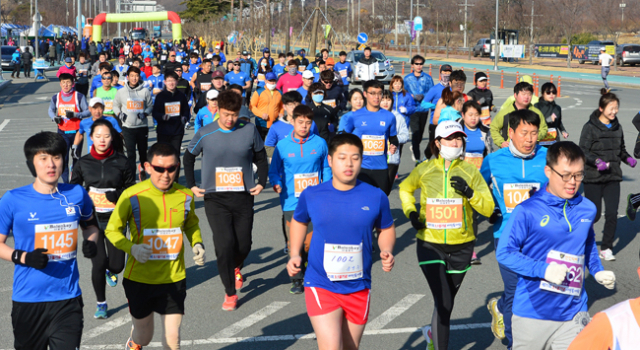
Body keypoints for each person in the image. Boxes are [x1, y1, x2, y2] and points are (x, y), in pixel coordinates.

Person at [497, 141, 616, 350]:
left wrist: (596, 270)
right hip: (532, 314)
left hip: (574, 313)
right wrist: (544, 270)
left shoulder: (587, 209)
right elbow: (505, 252)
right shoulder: (527, 211)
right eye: (566, 175)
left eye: (579, 175)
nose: (572, 182)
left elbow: (587, 242)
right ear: (548, 171)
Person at [286, 132, 396, 350]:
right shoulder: (313, 194)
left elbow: (386, 227)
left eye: (355, 158)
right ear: (330, 160)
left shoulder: (376, 196)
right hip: (321, 284)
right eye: (342, 157)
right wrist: (295, 253)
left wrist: (386, 249)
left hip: (359, 285)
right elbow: (299, 222)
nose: (349, 163)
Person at [399, 120, 494, 350]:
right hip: (429, 243)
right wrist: (411, 212)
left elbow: (488, 208)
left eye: (459, 138)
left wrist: (470, 193)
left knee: (446, 304)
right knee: (444, 302)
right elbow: (405, 189)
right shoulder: (425, 169)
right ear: (438, 143)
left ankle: (433, 333)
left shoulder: (470, 171)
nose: (456, 142)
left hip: (462, 246)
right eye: (450, 138)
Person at [0, 131, 99, 350]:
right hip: (28, 300)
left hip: (67, 299)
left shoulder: (77, 194)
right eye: (43, 158)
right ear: (31, 164)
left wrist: (91, 241)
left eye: (56, 157)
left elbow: (90, 225)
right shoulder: (12, 199)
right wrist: (23, 257)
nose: (51, 164)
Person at [105, 142, 205, 350]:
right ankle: (134, 342)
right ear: (147, 167)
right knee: (145, 336)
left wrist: (196, 242)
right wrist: (131, 248)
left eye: (171, 168)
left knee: (173, 340)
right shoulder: (131, 196)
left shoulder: (185, 196)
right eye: (159, 168)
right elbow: (111, 231)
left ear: (177, 166)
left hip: (174, 278)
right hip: (140, 279)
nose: (166, 174)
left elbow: (191, 223)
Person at [184, 90, 268, 311]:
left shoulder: (249, 129)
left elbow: (260, 155)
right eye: (226, 114)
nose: (230, 119)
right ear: (217, 110)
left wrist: (262, 181)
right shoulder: (205, 132)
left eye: (234, 114)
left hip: (243, 196)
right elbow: (189, 155)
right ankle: (230, 293)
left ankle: (235, 266)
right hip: (215, 198)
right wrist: (192, 184)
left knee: (244, 244)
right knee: (224, 245)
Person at [482, 109, 549, 349]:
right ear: (510, 133)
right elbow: (481, 190)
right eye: (524, 133)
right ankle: (514, 344)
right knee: (517, 290)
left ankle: (499, 307)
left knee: (537, 290)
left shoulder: (548, 157)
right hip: (508, 238)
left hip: (541, 239)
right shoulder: (493, 160)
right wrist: (491, 210)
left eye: (534, 133)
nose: (530, 139)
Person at [70, 118, 132, 319]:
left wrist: (119, 194)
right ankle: (101, 303)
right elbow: (74, 189)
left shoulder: (123, 162)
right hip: (92, 222)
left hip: (116, 220)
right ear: (91, 138)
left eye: (106, 136)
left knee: (116, 266)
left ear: (112, 137)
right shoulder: (83, 163)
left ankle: (110, 270)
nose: (102, 140)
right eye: (98, 136)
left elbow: (132, 189)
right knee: (98, 263)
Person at [269, 105, 332, 294]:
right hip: (291, 201)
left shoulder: (320, 143)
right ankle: (296, 278)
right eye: (300, 122)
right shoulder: (282, 146)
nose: (304, 126)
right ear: (292, 122)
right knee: (293, 243)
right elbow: (274, 171)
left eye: (308, 122)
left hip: (315, 200)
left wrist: (327, 188)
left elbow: (326, 169)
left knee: (310, 242)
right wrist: (276, 183)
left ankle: (309, 269)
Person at [579, 89, 635, 261]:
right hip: (593, 178)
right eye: (611, 108)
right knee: (594, 215)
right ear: (601, 108)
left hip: (613, 177)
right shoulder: (590, 127)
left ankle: (606, 247)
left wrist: (628, 159)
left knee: (612, 213)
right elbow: (582, 151)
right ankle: (581, 242)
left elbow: (621, 149)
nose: (614, 111)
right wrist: (596, 161)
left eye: (616, 107)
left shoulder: (618, 127)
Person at [343, 80, 398, 195]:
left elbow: (393, 138)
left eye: (379, 93)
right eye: (372, 93)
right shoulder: (354, 116)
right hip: (360, 167)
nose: (376, 97)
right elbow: (344, 138)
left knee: (381, 201)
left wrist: (394, 145)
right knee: (359, 202)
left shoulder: (389, 117)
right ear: (365, 94)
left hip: (381, 167)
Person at [459, 101, 493, 265]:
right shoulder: (457, 131)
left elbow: (489, 155)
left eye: (476, 114)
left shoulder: (485, 132)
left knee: (472, 216)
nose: (473, 118)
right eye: (470, 114)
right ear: (463, 115)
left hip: (478, 182)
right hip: (459, 181)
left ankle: (470, 250)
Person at [47, 73, 91, 183]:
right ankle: (67, 183)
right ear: (60, 84)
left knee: (76, 157)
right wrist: (54, 117)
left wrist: (76, 115)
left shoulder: (79, 96)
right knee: (63, 159)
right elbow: (50, 110)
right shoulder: (56, 97)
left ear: (72, 83)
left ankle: (75, 182)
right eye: (63, 82)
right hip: (62, 133)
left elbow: (88, 111)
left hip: (77, 133)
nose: (66, 85)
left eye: (68, 82)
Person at [113, 66, 153, 181]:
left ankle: (144, 174)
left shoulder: (145, 91)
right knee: (130, 154)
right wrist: (119, 114)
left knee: (143, 153)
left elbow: (150, 106)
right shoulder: (121, 92)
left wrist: (145, 113)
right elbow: (115, 105)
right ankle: (130, 179)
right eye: (132, 76)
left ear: (139, 77)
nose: (134, 78)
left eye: (136, 76)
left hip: (142, 127)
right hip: (128, 127)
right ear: (128, 77)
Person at [491, 82, 548, 148]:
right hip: (510, 151)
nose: (526, 97)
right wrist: (501, 142)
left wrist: (534, 136)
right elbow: (493, 128)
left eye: (529, 94)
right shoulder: (505, 113)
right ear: (515, 95)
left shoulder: (537, 113)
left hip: (530, 150)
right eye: (523, 94)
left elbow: (543, 129)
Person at [264, 91, 319, 158]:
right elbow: (268, 147)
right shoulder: (276, 126)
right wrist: (284, 155)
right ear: (284, 107)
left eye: (296, 105)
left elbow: (317, 142)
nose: (294, 108)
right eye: (290, 105)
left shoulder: (310, 123)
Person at [415, 64, 452, 162]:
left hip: (449, 122)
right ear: (440, 73)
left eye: (449, 72)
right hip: (435, 122)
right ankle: (425, 159)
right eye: (445, 72)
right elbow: (423, 104)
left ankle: (443, 163)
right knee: (433, 143)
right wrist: (436, 107)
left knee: (447, 144)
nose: (447, 74)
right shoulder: (435, 89)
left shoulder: (453, 89)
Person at [152, 71, 190, 157]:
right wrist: (162, 117)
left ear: (177, 81)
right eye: (169, 81)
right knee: (163, 155)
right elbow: (155, 113)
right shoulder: (160, 96)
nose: (171, 83)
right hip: (163, 131)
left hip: (177, 131)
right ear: (165, 82)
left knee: (175, 155)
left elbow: (186, 110)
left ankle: (176, 170)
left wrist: (185, 117)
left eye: (173, 80)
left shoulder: (181, 96)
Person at [380, 90, 409, 188]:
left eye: (388, 100)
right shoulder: (374, 116)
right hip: (377, 157)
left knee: (387, 188)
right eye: (382, 100)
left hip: (392, 158)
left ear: (392, 101)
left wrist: (393, 139)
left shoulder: (398, 117)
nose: (385, 102)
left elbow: (405, 135)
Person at [250, 72, 284, 140]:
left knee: (273, 144)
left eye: (274, 81)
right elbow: (251, 106)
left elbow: (282, 106)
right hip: (261, 123)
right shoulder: (259, 91)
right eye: (270, 81)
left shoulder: (279, 93)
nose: (272, 83)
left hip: (274, 123)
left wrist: (281, 113)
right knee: (259, 143)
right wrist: (261, 114)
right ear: (265, 81)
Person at [535, 82, 568, 147]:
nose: (551, 94)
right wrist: (548, 120)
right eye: (548, 92)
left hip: (554, 140)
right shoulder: (537, 106)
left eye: (554, 92)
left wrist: (563, 131)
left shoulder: (557, 108)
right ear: (542, 93)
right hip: (541, 141)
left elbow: (559, 122)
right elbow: (534, 122)